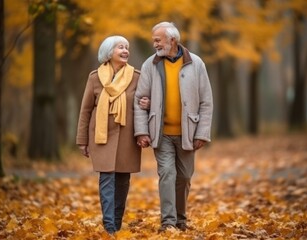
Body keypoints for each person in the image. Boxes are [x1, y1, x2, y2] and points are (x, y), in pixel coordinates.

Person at [134, 22, 213, 233]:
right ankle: (168, 222)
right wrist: (142, 131)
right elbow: (139, 99)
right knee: (167, 174)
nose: (154, 44)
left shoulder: (196, 64)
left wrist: (202, 133)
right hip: (161, 133)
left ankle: (180, 219)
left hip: (188, 133)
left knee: (185, 177)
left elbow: (206, 101)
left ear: (172, 40)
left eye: (158, 40)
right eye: (153, 40)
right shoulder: (150, 64)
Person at [76, 35, 149, 235]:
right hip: (101, 136)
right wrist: (82, 140)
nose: (125, 50)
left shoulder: (137, 76)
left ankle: (116, 222)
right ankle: (109, 226)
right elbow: (85, 110)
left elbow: (144, 101)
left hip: (127, 136)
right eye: (120, 47)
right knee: (106, 178)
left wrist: (147, 104)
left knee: (123, 181)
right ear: (109, 52)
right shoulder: (94, 77)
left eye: (127, 47)